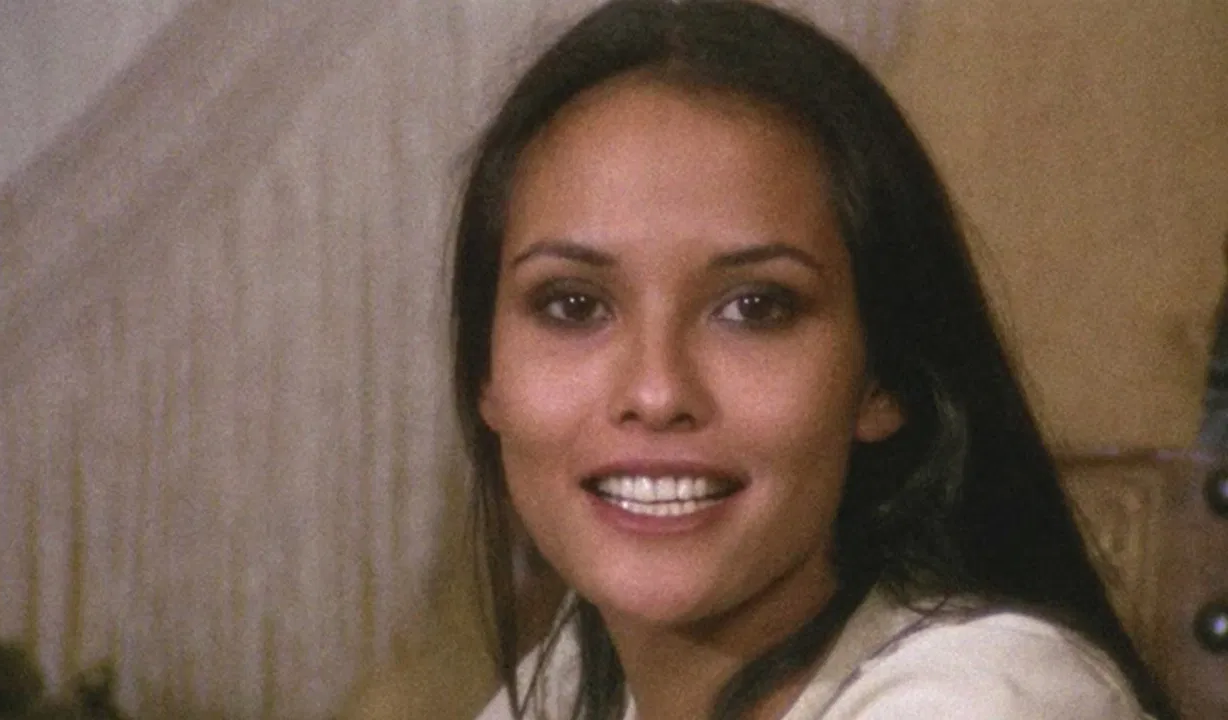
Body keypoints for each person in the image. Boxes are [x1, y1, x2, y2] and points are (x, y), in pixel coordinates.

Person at [449, 1, 1176, 717]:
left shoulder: (991, 700)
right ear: (488, 372)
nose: (657, 391)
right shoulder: (571, 685)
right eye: (574, 306)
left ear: (882, 376)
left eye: (754, 308)